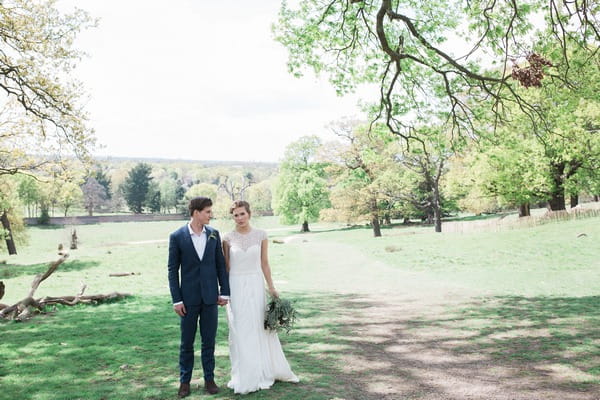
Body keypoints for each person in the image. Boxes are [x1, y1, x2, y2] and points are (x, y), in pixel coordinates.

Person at [223, 200, 299, 394]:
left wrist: (271, 287)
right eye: (236, 215)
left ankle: (264, 370)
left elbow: (265, 263)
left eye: (242, 214)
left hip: (256, 284)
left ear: (249, 214)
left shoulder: (261, 235)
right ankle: (245, 373)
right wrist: (223, 292)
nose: (239, 218)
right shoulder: (227, 238)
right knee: (240, 328)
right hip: (236, 285)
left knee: (259, 327)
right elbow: (226, 267)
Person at [167, 197, 230, 397]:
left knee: (208, 341)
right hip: (188, 300)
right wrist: (177, 300)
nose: (211, 215)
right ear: (196, 212)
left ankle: (209, 379)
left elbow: (220, 265)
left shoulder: (213, 234)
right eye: (208, 212)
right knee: (186, 343)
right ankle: (184, 382)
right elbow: (172, 270)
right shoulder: (177, 236)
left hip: (211, 298)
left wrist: (224, 291)